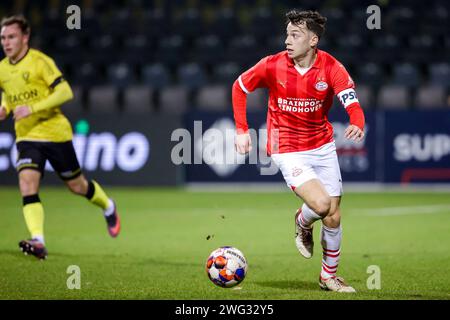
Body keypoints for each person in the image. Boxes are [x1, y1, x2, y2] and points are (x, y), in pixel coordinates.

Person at [232, 10, 365, 292]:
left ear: (313, 39)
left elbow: (351, 102)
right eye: (287, 34)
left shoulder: (332, 68)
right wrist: (242, 129)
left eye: (296, 35)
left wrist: (357, 121)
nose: (287, 40)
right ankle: (302, 220)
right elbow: (239, 87)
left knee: (334, 215)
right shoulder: (272, 65)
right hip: (286, 146)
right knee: (320, 205)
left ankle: (328, 277)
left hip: (322, 145)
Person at [0, 15, 121, 260]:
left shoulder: (40, 62)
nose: (6, 42)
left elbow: (65, 91)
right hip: (27, 136)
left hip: (55, 133)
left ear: (25, 37)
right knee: (27, 183)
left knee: (77, 186)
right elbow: (9, 92)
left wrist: (32, 109)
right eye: (3, 37)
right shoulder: (2, 68)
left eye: (11, 36)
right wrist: (4, 107)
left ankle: (108, 206)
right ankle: (39, 241)